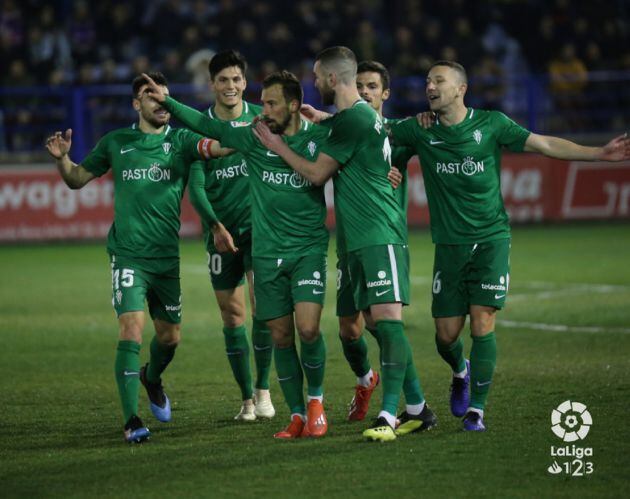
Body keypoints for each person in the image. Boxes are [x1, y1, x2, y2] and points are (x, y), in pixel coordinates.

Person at [387, 60, 630, 431]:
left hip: (491, 240)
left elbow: (544, 143)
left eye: (439, 80)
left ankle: (477, 411)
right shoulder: (420, 130)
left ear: (460, 88)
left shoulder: (492, 124)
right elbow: (372, 130)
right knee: (446, 335)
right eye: (427, 81)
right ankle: (460, 370)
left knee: (483, 323)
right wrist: (327, 120)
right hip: (449, 246)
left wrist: (598, 153)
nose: (430, 87)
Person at [254, 46, 437, 442]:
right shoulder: (353, 120)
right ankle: (419, 407)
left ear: (333, 79)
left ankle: (389, 415)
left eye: (318, 77)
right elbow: (353, 135)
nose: (314, 83)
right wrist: (322, 118)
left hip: (378, 235)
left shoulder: (355, 120)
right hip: (355, 241)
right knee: (369, 323)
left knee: (387, 323)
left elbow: (317, 174)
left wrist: (277, 146)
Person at [144, 70, 332, 439]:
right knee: (277, 332)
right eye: (263, 103)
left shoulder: (319, 137)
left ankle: (314, 401)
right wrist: (167, 102)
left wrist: (387, 169)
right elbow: (202, 123)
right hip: (265, 250)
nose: (263, 111)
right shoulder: (252, 136)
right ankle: (293, 414)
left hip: (307, 248)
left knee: (308, 329)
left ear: (293, 106)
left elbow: (358, 147)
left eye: (272, 103)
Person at [45, 72, 231, 443]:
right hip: (128, 255)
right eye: (151, 96)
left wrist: (244, 135)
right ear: (136, 104)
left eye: (165, 97)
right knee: (130, 328)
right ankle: (131, 420)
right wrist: (63, 160)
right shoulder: (118, 142)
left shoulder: (181, 141)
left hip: (165, 259)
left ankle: (152, 377)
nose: (160, 103)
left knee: (170, 338)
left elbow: (222, 145)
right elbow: (77, 179)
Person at [187, 50, 275, 422]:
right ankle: (246, 400)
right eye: (223, 80)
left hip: (261, 229)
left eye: (236, 79)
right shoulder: (198, 126)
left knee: (263, 306)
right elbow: (196, 185)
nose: (230, 86)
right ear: (212, 84)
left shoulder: (262, 118)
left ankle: (264, 389)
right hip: (220, 233)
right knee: (232, 315)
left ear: (245, 82)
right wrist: (215, 226)